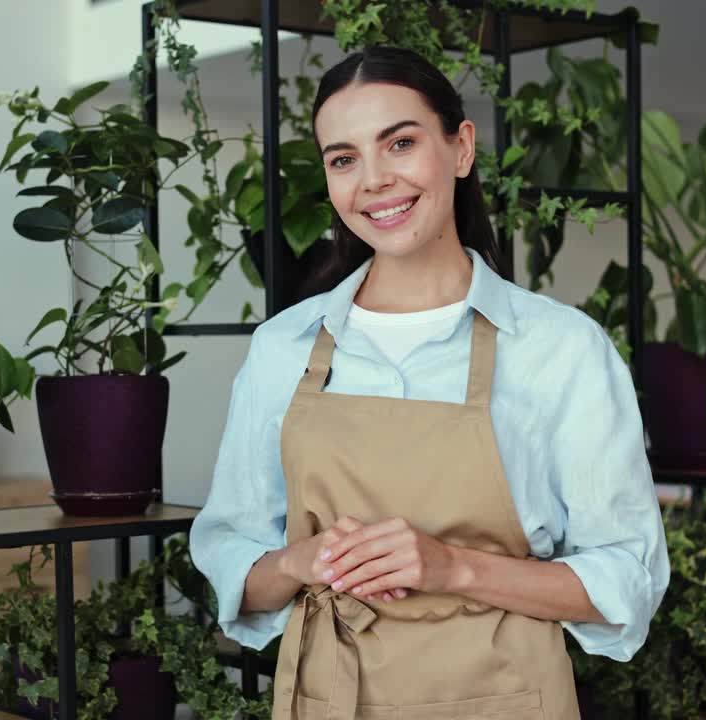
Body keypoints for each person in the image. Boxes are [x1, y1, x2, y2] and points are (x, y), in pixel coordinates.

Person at [190, 46, 669, 720]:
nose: (375, 180)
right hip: (329, 698)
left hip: (507, 700)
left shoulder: (560, 349)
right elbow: (234, 562)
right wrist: (302, 562)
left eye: (402, 143)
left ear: (462, 149)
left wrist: (451, 567)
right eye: (343, 159)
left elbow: (626, 580)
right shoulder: (283, 349)